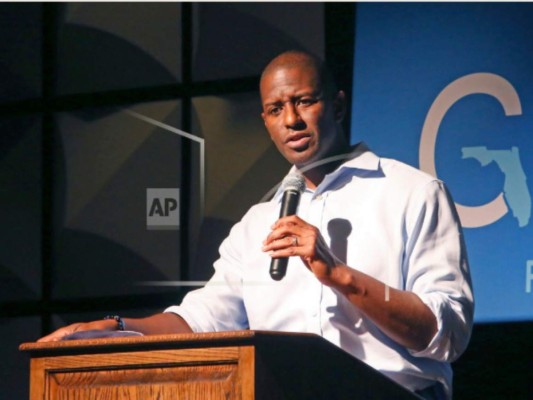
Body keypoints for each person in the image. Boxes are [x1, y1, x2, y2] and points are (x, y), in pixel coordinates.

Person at [39, 50, 474, 399]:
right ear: (265, 122)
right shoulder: (257, 223)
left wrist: (338, 275)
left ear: (337, 105)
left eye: (305, 100)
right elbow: (201, 320)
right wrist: (115, 328)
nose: (292, 120)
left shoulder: (413, 193)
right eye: (276, 108)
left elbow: (446, 333)